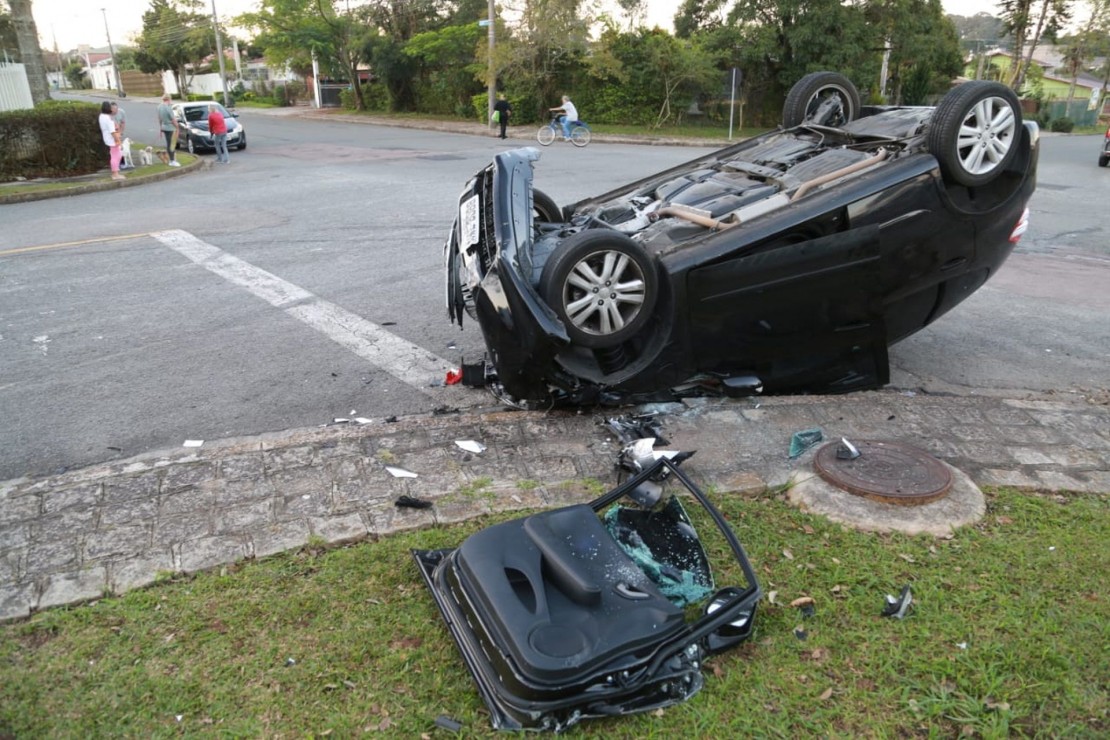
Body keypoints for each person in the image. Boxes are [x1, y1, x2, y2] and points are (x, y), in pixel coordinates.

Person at [98, 100, 124, 181]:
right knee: (116, 156)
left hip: (107, 138)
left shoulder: (101, 116)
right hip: (112, 139)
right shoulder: (108, 119)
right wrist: (119, 141)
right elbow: (112, 132)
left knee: (116, 155)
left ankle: (115, 172)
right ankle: (115, 174)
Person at [157, 94, 181, 167]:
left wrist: (161, 128)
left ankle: (171, 159)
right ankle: (172, 160)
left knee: (169, 144)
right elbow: (173, 119)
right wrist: (177, 127)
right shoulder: (168, 108)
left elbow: (159, 118)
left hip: (164, 127)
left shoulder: (159, 107)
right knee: (172, 144)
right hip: (171, 127)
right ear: (169, 99)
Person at [111, 102, 132, 170]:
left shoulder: (121, 112)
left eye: (116, 109)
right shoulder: (109, 115)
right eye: (114, 109)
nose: (116, 111)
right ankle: (116, 164)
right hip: (112, 133)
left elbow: (123, 122)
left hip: (119, 132)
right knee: (115, 149)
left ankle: (122, 163)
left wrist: (121, 132)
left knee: (120, 148)